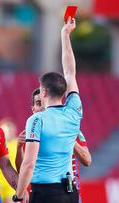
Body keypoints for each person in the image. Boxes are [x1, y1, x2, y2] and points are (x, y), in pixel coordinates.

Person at [14, 17, 81, 203]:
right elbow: (70, 72)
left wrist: (18, 196)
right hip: (70, 192)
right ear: (64, 91)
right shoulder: (74, 111)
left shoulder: (37, 119)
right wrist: (65, 34)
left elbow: (28, 164)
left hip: (46, 192)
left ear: (43, 92)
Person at [15, 88, 91, 202]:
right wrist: (19, 147)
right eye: (38, 103)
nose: (42, 107)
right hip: (43, 193)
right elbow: (23, 170)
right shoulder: (31, 135)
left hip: (69, 191)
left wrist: (65, 135)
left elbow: (87, 160)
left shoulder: (73, 130)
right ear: (33, 109)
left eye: (43, 103)